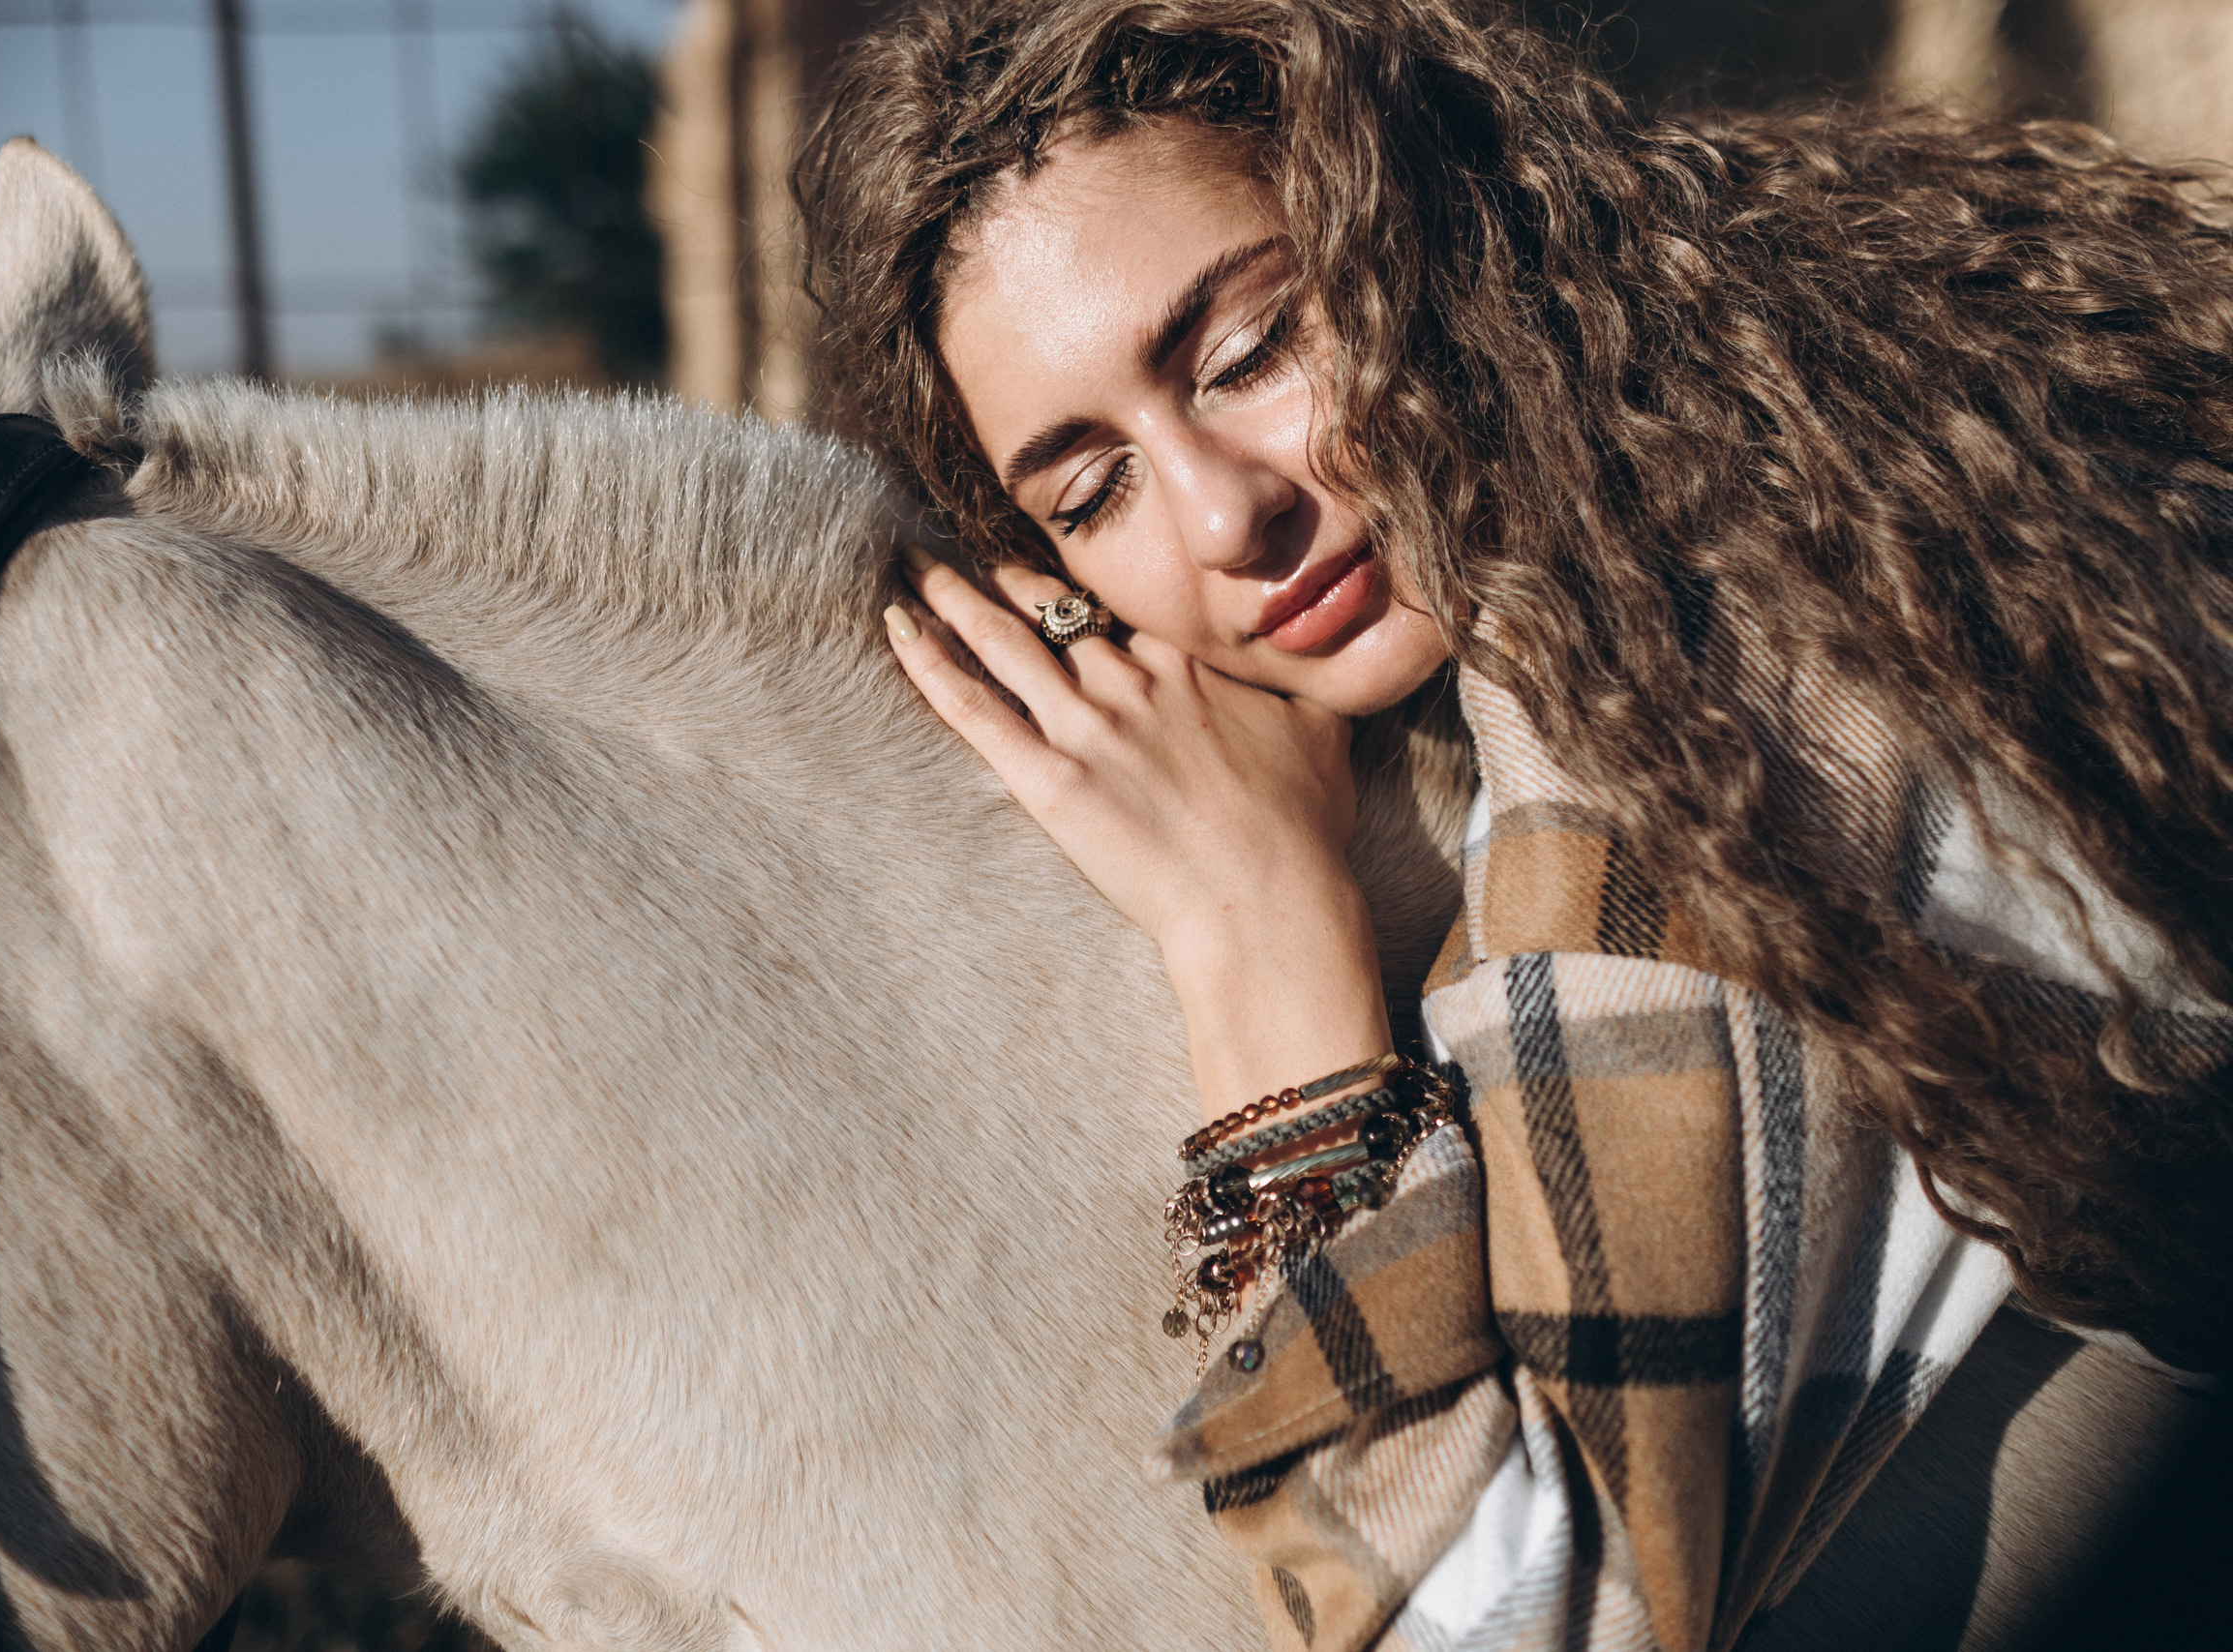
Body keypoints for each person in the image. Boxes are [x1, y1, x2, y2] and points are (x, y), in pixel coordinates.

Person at [795, 1, 2233, 1646]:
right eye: (1090, 490)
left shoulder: (1699, 694)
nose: (1223, 513)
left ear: (1413, 225)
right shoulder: (1789, 481)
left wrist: (1261, 949)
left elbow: (1520, 1622)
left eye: (1253, 350)